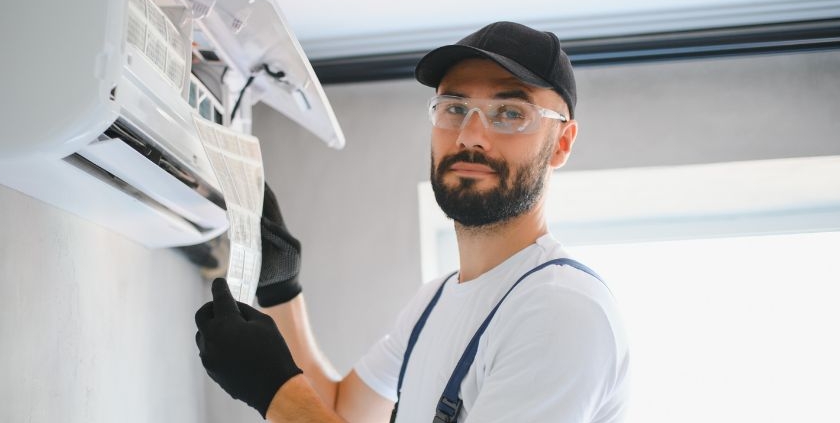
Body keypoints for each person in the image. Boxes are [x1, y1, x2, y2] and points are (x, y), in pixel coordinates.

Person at [195, 21, 630, 422]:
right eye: (454, 108)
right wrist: (281, 285)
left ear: (562, 143)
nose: (470, 136)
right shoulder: (433, 303)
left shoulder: (561, 311)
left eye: (510, 112)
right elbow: (341, 409)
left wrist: (275, 392)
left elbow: (300, 404)